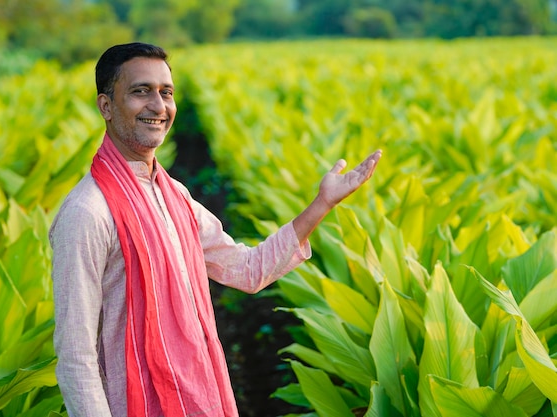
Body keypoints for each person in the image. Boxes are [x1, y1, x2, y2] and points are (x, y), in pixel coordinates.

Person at [49, 42, 382, 417]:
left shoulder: (174, 195)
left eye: (166, 92)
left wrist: (322, 204)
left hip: (196, 398)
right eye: (140, 91)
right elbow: (76, 355)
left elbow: (247, 269)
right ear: (106, 106)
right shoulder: (87, 212)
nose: (158, 106)